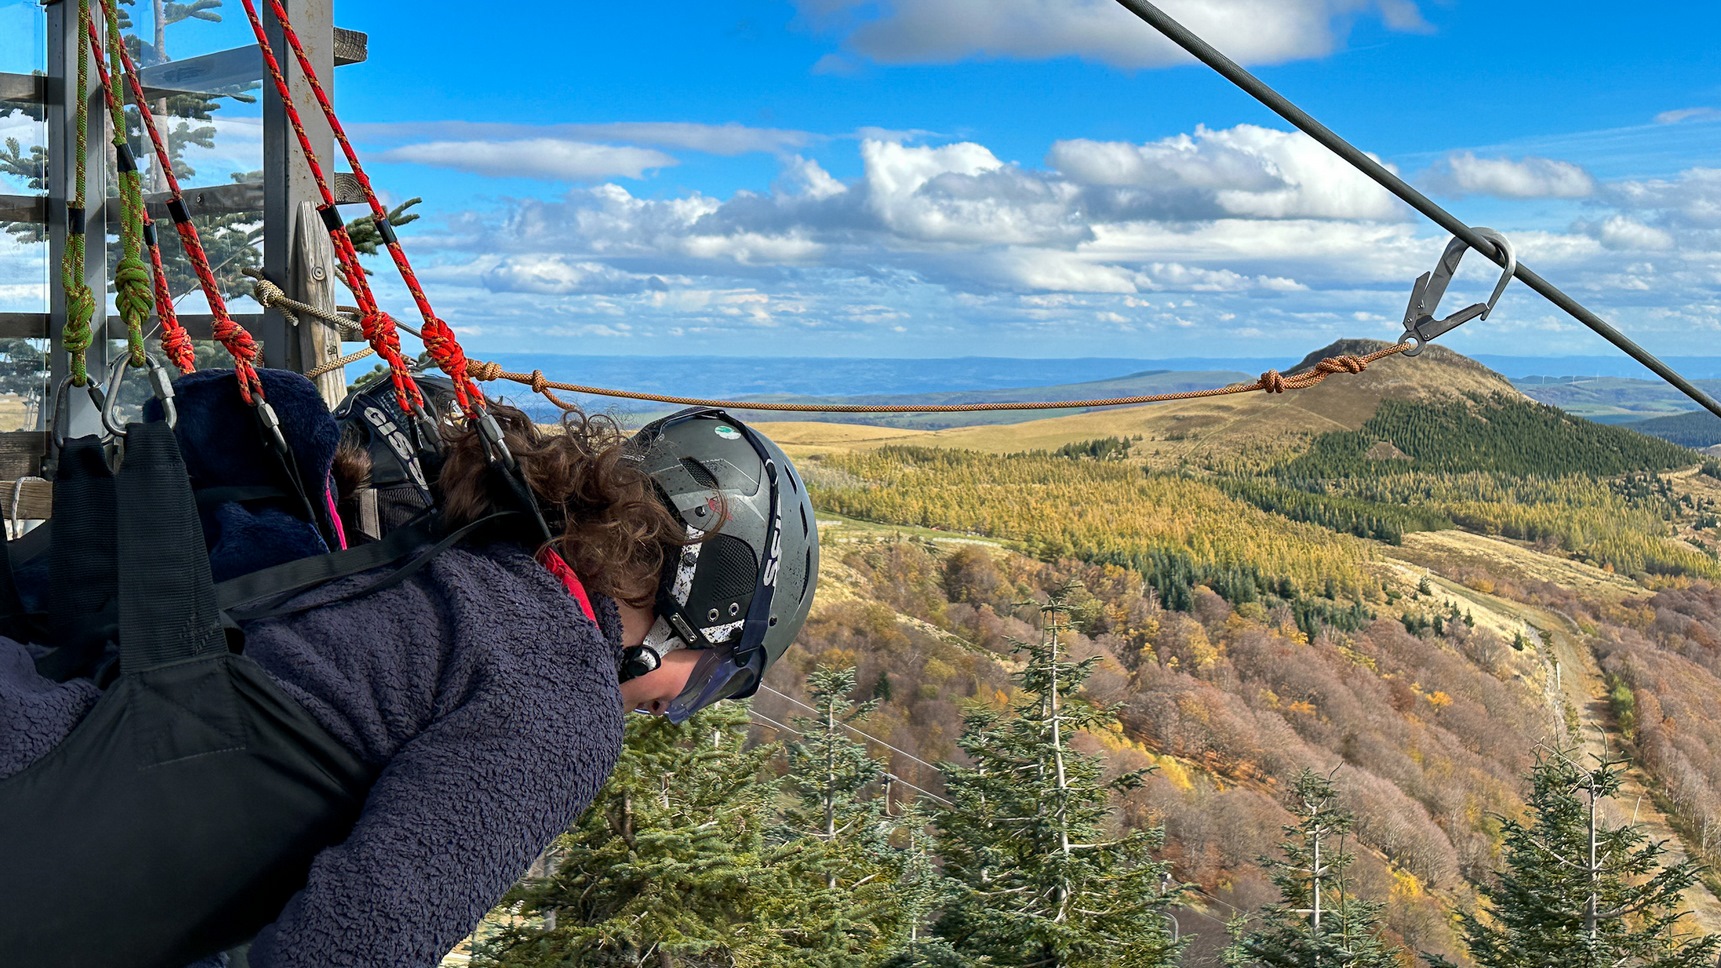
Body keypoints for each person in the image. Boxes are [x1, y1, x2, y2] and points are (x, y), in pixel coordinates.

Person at [0, 388, 820, 968]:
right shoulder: (561, 698)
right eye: (709, 677)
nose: (674, 703)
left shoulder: (474, 565)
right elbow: (355, 941)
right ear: (695, 600)